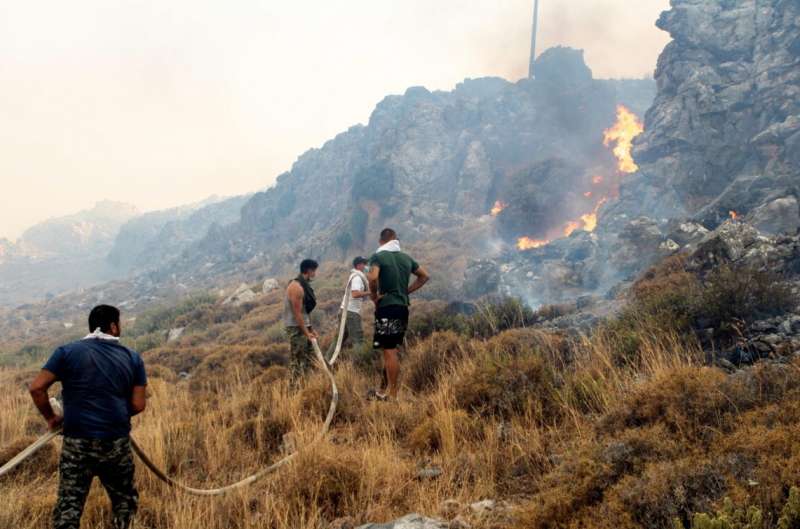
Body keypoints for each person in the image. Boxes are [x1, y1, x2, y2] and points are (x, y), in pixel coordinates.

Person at [28, 304, 147, 529]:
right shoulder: (132, 358)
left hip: (77, 444)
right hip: (115, 442)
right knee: (124, 505)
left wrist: (52, 418)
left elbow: (37, 388)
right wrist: (115, 413)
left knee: (68, 511)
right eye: (119, 323)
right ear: (113, 326)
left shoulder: (66, 352)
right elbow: (138, 405)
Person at [367, 228, 429, 400]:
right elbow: (424, 276)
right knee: (390, 348)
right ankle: (382, 389)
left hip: (387, 307)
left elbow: (372, 278)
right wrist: (405, 291)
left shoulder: (378, 256)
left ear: (381, 241)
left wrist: (374, 296)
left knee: (389, 351)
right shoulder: (406, 258)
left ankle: (393, 395)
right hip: (402, 308)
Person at [328, 257, 370, 360]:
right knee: (358, 340)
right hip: (351, 312)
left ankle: (327, 360)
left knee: (339, 338)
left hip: (345, 311)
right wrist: (370, 292)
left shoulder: (355, 276)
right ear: (359, 265)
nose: (365, 266)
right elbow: (355, 294)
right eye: (364, 264)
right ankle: (359, 363)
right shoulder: (357, 278)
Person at [284, 259, 320, 380]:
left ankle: (306, 387)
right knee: (297, 361)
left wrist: (311, 330)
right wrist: (306, 333)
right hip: (295, 328)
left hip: (303, 327)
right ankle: (293, 392)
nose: (315, 274)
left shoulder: (304, 285)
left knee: (308, 360)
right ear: (309, 271)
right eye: (314, 271)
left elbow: (305, 312)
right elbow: (297, 314)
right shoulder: (296, 287)